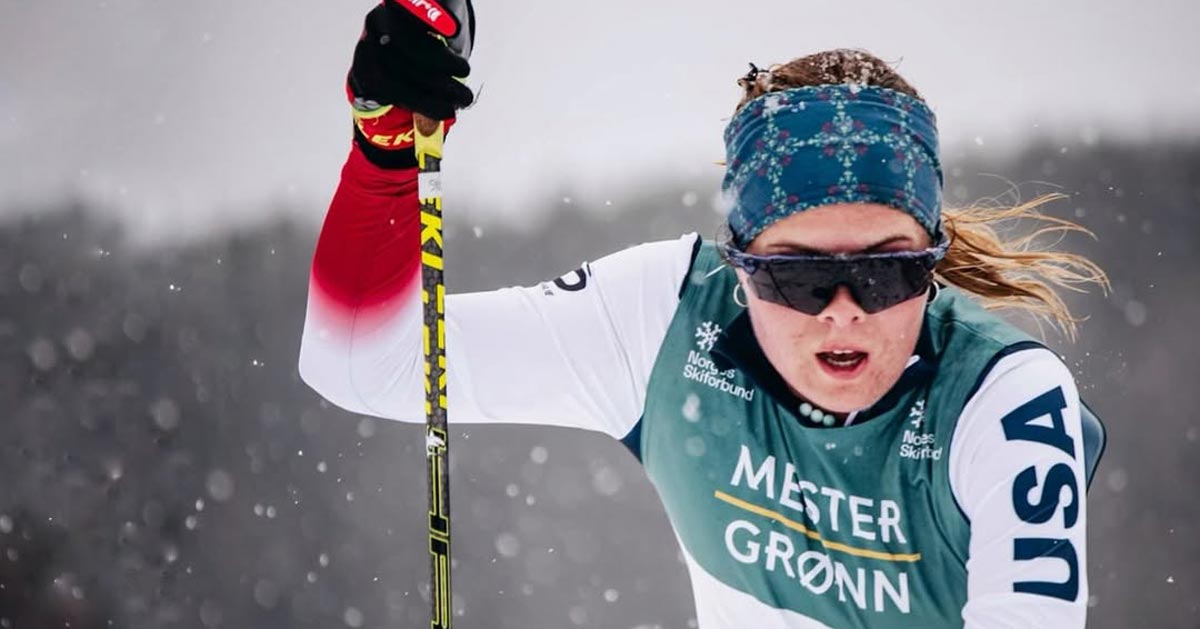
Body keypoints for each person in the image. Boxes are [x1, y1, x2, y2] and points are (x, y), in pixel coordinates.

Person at [298, 2, 1110, 627]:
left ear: (932, 263)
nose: (843, 314)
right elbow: (367, 363)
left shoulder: (1004, 400)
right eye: (795, 277)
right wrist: (385, 156)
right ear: (740, 261)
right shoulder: (666, 320)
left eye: (886, 271)